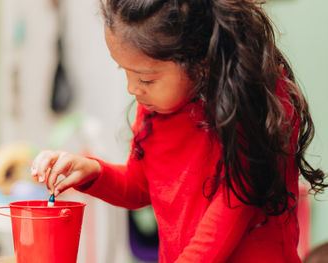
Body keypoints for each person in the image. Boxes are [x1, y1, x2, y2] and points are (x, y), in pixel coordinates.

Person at [31, 1, 327, 262]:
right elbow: (141, 188)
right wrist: (93, 172)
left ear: (202, 61)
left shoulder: (252, 99)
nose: (132, 89)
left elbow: (228, 216)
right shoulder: (155, 110)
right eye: (125, 71)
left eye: (146, 79)